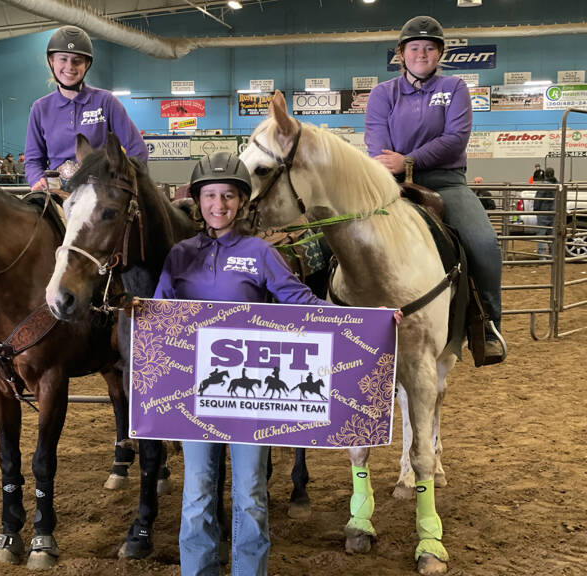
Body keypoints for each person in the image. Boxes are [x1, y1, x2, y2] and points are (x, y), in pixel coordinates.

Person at [152, 152, 399, 575]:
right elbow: (161, 311)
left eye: (228, 195)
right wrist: (139, 315)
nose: (218, 205)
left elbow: (300, 302)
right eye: (210, 196)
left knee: (250, 493)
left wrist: (364, 321)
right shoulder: (180, 256)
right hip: (197, 394)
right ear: (197, 200)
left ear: (242, 201)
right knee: (196, 493)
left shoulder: (260, 253)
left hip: (251, 401)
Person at [364, 14, 507, 364]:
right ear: (402, 53)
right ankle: (327, 311)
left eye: (430, 48)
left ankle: (486, 323)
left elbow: (455, 139)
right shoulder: (383, 94)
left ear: (439, 54)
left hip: (445, 182)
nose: (422, 54)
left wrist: (407, 160)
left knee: (483, 242)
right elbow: (376, 141)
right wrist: (395, 167)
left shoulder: (454, 88)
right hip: (392, 183)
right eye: (415, 47)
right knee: (341, 235)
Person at [25, 25, 148, 192]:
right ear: (51, 61)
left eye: (77, 60)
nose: (70, 66)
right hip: (55, 192)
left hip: (97, 194)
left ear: (87, 64)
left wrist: (118, 184)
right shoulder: (40, 108)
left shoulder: (106, 101)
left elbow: (137, 150)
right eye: (63, 59)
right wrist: (37, 180)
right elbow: (33, 160)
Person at [534, 167, 556, 258]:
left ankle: (542, 256)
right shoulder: (557, 185)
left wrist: (536, 210)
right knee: (552, 234)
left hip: (543, 212)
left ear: (545, 174)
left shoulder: (544, 185)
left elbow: (538, 199)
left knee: (541, 234)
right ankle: (553, 254)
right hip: (553, 212)